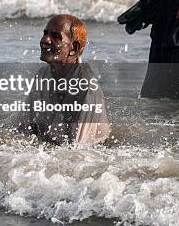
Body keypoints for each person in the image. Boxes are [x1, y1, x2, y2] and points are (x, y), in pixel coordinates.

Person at [12, 15, 110, 145]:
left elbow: (79, 152)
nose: (45, 40)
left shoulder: (87, 90)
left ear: (74, 48)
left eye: (56, 36)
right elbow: (21, 131)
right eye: (45, 34)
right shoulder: (42, 75)